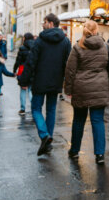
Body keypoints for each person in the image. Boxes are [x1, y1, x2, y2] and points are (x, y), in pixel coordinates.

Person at [63, 20, 109, 164]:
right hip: (100, 87)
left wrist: (68, 89)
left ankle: (74, 150)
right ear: (96, 30)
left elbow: (70, 70)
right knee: (98, 120)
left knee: (79, 120)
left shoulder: (77, 47)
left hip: (81, 88)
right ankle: (100, 154)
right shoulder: (106, 46)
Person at [18, 14, 71, 156]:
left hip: (40, 80)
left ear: (51, 23)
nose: (42, 24)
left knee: (36, 108)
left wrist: (23, 79)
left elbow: (31, 62)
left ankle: (44, 135)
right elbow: (68, 63)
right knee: (51, 110)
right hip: (56, 81)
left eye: (44, 22)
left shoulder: (40, 41)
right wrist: (67, 82)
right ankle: (48, 140)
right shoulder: (65, 41)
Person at [13, 33, 35, 116]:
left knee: (23, 90)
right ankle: (34, 108)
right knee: (31, 90)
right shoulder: (36, 47)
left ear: (25, 38)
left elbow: (18, 60)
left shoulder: (22, 48)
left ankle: (22, 109)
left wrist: (14, 70)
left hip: (23, 70)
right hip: (33, 71)